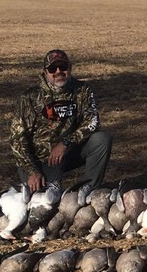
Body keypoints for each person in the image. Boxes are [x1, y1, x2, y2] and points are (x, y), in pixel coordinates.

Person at [10, 49, 112, 192]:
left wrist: (65, 143)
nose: (58, 72)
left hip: (67, 152)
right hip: (38, 161)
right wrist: (32, 171)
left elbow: (92, 122)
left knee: (101, 139)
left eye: (63, 67)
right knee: (45, 202)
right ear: (45, 72)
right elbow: (17, 140)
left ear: (70, 68)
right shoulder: (28, 98)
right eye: (53, 68)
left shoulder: (82, 90)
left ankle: (89, 191)